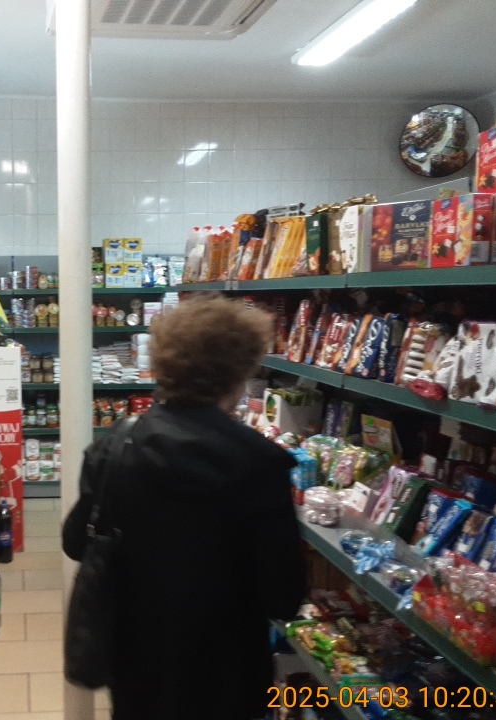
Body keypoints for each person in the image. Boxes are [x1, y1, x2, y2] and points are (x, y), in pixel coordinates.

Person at [63, 294, 306, 720]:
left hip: (137, 667)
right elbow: (283, 596)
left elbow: (74, 542)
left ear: (164, 365)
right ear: (239, 374)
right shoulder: (261, 464)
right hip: (228, 675)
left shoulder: (114, 448)